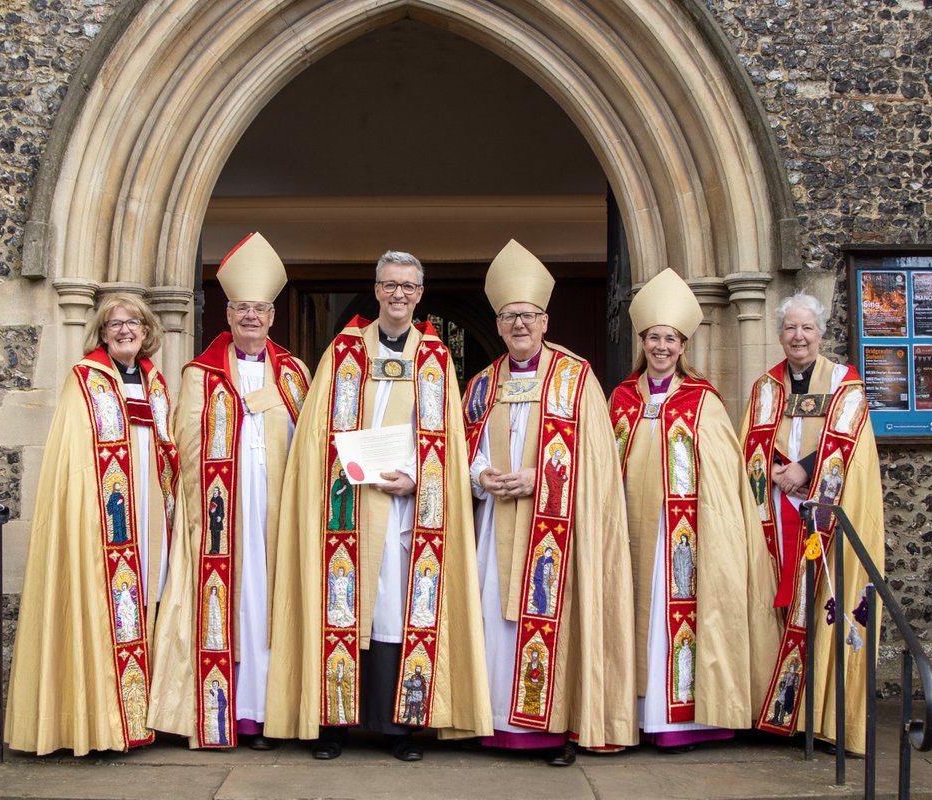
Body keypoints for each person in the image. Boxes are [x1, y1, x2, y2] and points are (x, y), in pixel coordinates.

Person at [265, 250, 491, 761]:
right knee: (342, 605)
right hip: (346, 506)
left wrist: (418, 479)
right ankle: (332, 726)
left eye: (408, 286)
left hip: (407, 508)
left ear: (419, 293)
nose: (398, 294)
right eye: (390, 285)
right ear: (376, 289)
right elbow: (316, 433)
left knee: (397, 610)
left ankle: (399, 729)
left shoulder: (434, 357)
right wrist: (345, 468)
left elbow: (448, 441)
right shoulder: (344, 351)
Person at [462, 239, 637, 765]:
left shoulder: (575, 377)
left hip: (554, 527)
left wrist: (542, 478)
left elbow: (600, 462)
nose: (520, 325)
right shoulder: (479, 385)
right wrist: (481, 477)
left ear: (545, 321)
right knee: (495, 619)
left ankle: (554, 729)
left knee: (550, 618)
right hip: (495, 524)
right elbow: (459, 453)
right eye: (510, 316)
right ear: (497, 325)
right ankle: (492, 725)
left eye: (529, 316)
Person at [149, 233, 310, 750]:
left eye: (259, 309)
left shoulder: (295, 373)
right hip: (225, 518)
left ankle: (272, 713)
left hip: (280, 511)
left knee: (270, 610)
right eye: (241, 309)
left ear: (272, 315)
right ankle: (230, 714)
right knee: (233, 609)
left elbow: (310, 442)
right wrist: (199, 518)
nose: (250, 318)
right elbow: (187, 448)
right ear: (227, 313)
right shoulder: (199, 375)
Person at [608, 267, 779, 753]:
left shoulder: (703, 402)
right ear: (643, 342)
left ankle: (687, 718)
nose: (662, 347)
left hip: (684, 537)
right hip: (631, 534)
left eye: (671, 340)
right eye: (654, 338)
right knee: (637, 619)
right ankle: (641, 715)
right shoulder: (619, 399)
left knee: (676, 619)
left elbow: (725, 480)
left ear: (683, 347)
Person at [6, 292, 180, 755]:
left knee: (149, 601)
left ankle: (143, 716)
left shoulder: (157, 382)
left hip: (150, 516)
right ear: (101, 333)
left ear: (147, 332)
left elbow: (167, 447)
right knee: (109, 607)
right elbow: (74, 457)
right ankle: (102, 722)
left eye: (134, 323)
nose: (125, 330)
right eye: (114, 324)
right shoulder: (85, 380)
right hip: (103, 519)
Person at [740, 291, 884, 754]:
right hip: (776, 518)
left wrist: (805, 466)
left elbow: (850, 447)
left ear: (821, 334)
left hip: (826, 523)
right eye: (789, 329)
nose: (798, 337)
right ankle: (777, 715)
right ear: (779, 334)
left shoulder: (845, 383)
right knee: (775, 606)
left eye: (807, 329)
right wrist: (774, 472)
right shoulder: (765, 387)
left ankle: (823, 719)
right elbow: (749, 446)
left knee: (823, 607)